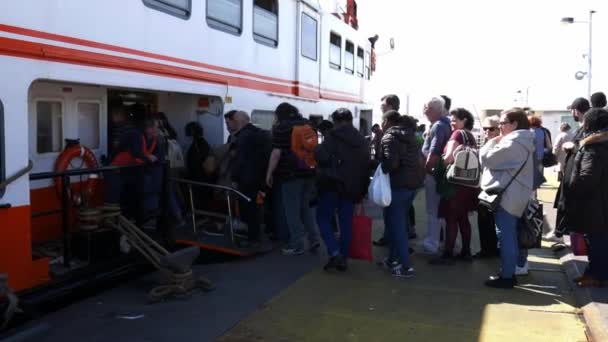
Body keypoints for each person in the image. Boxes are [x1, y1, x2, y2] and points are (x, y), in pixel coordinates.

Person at [480, 108, 535, 289]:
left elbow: (487, 158)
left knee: (506, 236)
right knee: (509, 235)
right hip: (515, 195)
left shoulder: (514, 143)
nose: (499, 127)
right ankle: (510, 271)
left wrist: (492, 141)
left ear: (514, 124)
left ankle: (507, 275)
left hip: (507, 197)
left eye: (503, 123)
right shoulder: (522, 141)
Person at [315, 108, 370, 271]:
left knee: (323, 218)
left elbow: (321, 157)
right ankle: (343, 258)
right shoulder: (361, 139)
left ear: (335, 121)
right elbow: (366, 166)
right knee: (346, 222)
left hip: (332, 184)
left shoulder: (332, 136)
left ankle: (334, 252)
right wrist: (362, 192)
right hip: (352, 187)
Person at [265, 102, 321, 255]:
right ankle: (314, 238)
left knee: (291, 210)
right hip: (309, 172)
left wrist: (269, 173)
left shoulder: (282, 128)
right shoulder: (309, 125)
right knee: (305, 208)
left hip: (290, 175)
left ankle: (297, 244)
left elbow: (276, 153)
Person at [562, 108, 608, 287]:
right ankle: (596, 273)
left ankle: (595, 275)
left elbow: (587, 178)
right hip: (602, 201)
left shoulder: (593, 146)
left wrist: (574, 191)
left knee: (596, 241)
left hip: (594, 204)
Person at [377, 111, 424, 278]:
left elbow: (391, 163)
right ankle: (392, 259)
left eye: (383, 120)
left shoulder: (390, 137)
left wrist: (381, 167)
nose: (382, 123)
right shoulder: (412, 136)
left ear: (388, 121)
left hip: (398, 185)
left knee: (397, 227)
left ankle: (406, 267)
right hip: (413, 185)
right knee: (397, 223)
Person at [431, 108, 479, 264]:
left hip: (454, 184)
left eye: (454, 119)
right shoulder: (470, 136)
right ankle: (466, 252)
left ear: (463, 120)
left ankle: (448, 254)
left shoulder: (457, 134)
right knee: (463, 218)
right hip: (468, 183)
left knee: (451, 219)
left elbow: (448, 158)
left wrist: (438, 167)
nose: (451, 123)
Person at [228, 111, 272, 247]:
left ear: (239, 121)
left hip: (246, 179)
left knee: (249, 209)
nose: (232, 123)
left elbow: (239, 160)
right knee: (255, 208)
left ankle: (253, 239)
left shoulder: (243, 136)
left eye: (234, 120)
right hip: (259, 177)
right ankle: (256, 235)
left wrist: (234, 178)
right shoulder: (259, 133)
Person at [554, 97, 591, 238]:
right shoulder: (581, 128)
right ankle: (565, 232)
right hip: (573, 171)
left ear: (576, 110)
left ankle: (567, 233)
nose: (571, 113)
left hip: (577, 174)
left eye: (572, 110)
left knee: (568, 203)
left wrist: (572, 147)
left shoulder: (587, 128)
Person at [421, 96, 451, 254]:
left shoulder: (438, 126)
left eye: (426, 107)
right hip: (444, 174)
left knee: (433, 210)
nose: (424, 111)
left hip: (435, 174)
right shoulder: (446, 124)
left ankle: (432, 243)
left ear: (433, 110)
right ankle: (447, 242)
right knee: (443, 211)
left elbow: (434, 151)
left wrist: (427, 169)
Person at [374, 94, 400, 247]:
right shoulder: (400, 126)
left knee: (392, 212)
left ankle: (394, 247)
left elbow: (392, 159)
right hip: (401, 177)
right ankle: (391, 237)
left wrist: (381, 168)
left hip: (394, 178)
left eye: (383, 105)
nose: (380, 107)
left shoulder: (392, 130)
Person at [475, 116, 500, 259]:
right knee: (484, 219)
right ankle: (487, 249)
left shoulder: (499, 144)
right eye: (484, 129)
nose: (487, 132)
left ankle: (492, 250)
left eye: (490, 129)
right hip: (485, 188)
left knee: (493, 221)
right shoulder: (487, 143)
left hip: (496, 188)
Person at [184, 122, 214, 210]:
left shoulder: (197, 144)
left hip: (198, 178)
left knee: (199, 200)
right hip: (203, 178)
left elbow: (195, 162)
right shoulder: (203, 143)